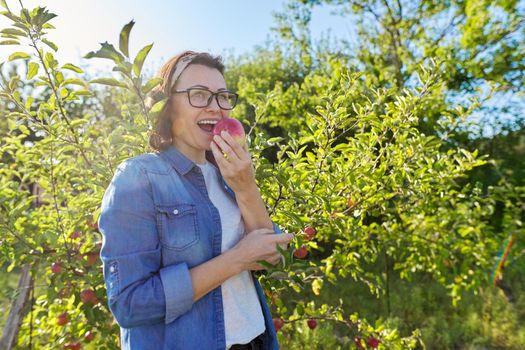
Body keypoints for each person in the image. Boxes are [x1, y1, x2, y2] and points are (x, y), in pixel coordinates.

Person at [98, 50, 294, 350]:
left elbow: (275, 261)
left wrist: (246, 188)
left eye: (222, 96)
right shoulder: (139, 177)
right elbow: (130, 304)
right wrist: (238, 259)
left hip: (257, 341)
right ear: (167, 106)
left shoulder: (226, 173)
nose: (215, 107)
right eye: (199, 94)